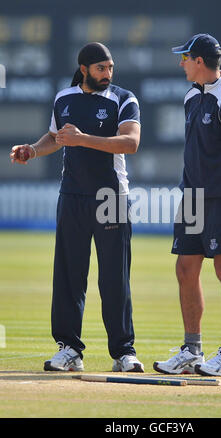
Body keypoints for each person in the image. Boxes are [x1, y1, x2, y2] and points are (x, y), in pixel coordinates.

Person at [10, 42, 144, 373]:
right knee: (69, 277)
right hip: (72, 196)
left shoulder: (123, 99)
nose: (108, 74)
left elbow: (131, 143)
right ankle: (69, 349)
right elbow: (56, 138)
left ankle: (123, 353)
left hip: (112, 197)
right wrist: (32, 150)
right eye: (101, 68)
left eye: (111, 68)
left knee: (115, 278)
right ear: (84, 69)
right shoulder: (64, 98)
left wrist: (83, 138)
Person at [153, 34, 221, 376]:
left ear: (199, 61)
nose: (180, 62)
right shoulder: (191, 97)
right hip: (192, 197)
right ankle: (192, 350)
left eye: (184, 57)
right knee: (185, 269)